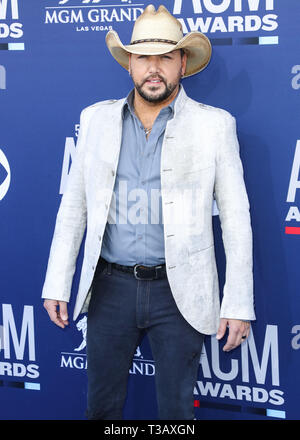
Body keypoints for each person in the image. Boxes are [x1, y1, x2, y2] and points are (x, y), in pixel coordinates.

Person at [42, 4, 255, 420]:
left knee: (176, 413)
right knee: (101, 409)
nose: (153, 68)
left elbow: (235, 217)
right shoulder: (96, 119)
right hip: (109, 288)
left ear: (183, 63)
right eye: (143, 57)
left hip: (180, 294)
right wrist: (56, 282)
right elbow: (73, 208)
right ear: (129, 65)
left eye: (165, 57)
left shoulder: (215, 126)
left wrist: (239, 303)